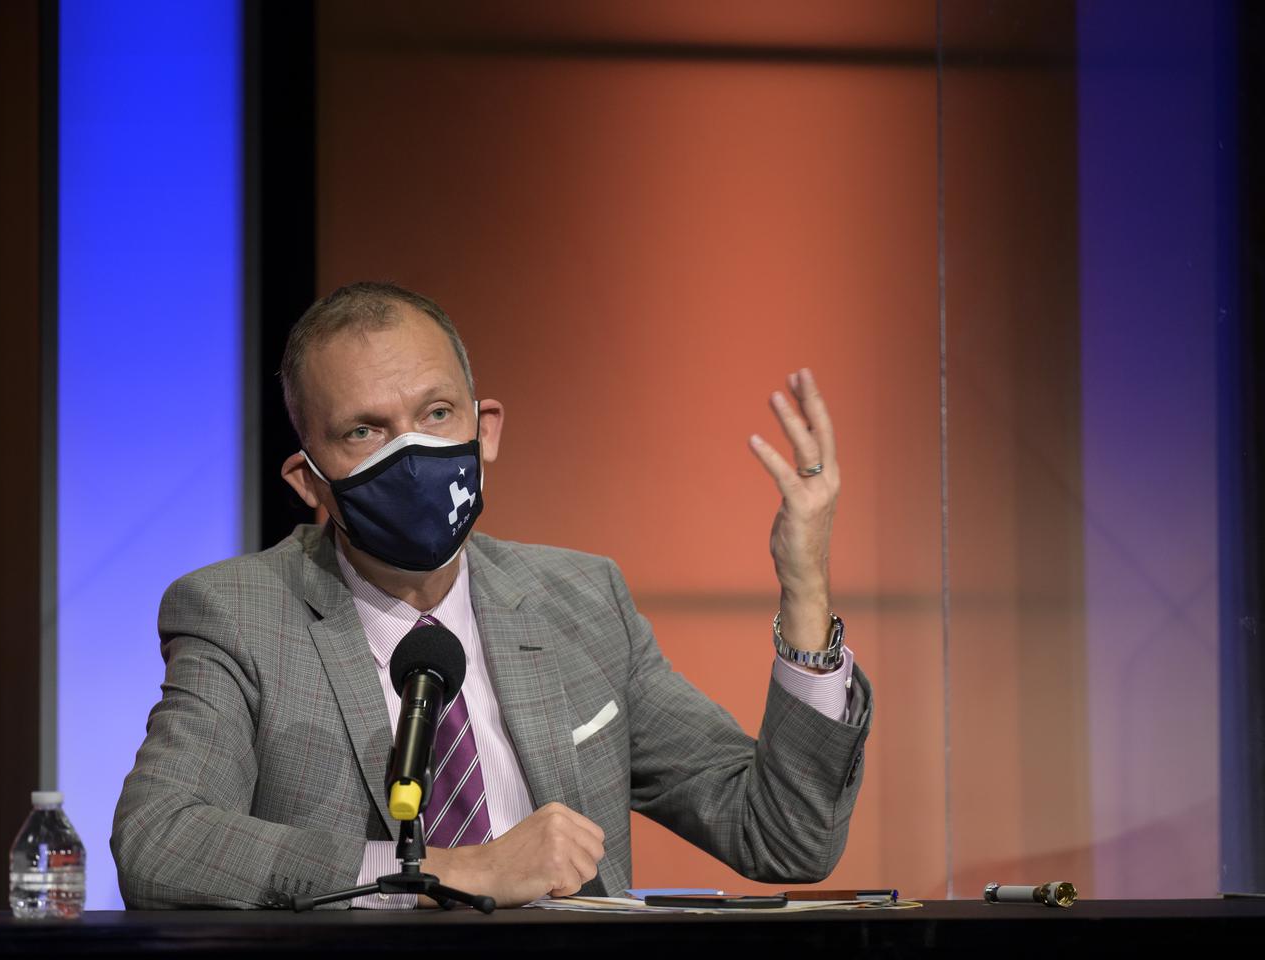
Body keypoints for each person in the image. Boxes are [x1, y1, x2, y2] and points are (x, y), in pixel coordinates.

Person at [111, 282, 872, 909]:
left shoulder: (580, 599)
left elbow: (782, 835)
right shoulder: (241, 613)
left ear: (486, 429)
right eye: (366, 432)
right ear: (309, 480)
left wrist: (805, 591)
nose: (412, 452)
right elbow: (161, 841)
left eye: (436, 415)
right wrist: (441, 870)